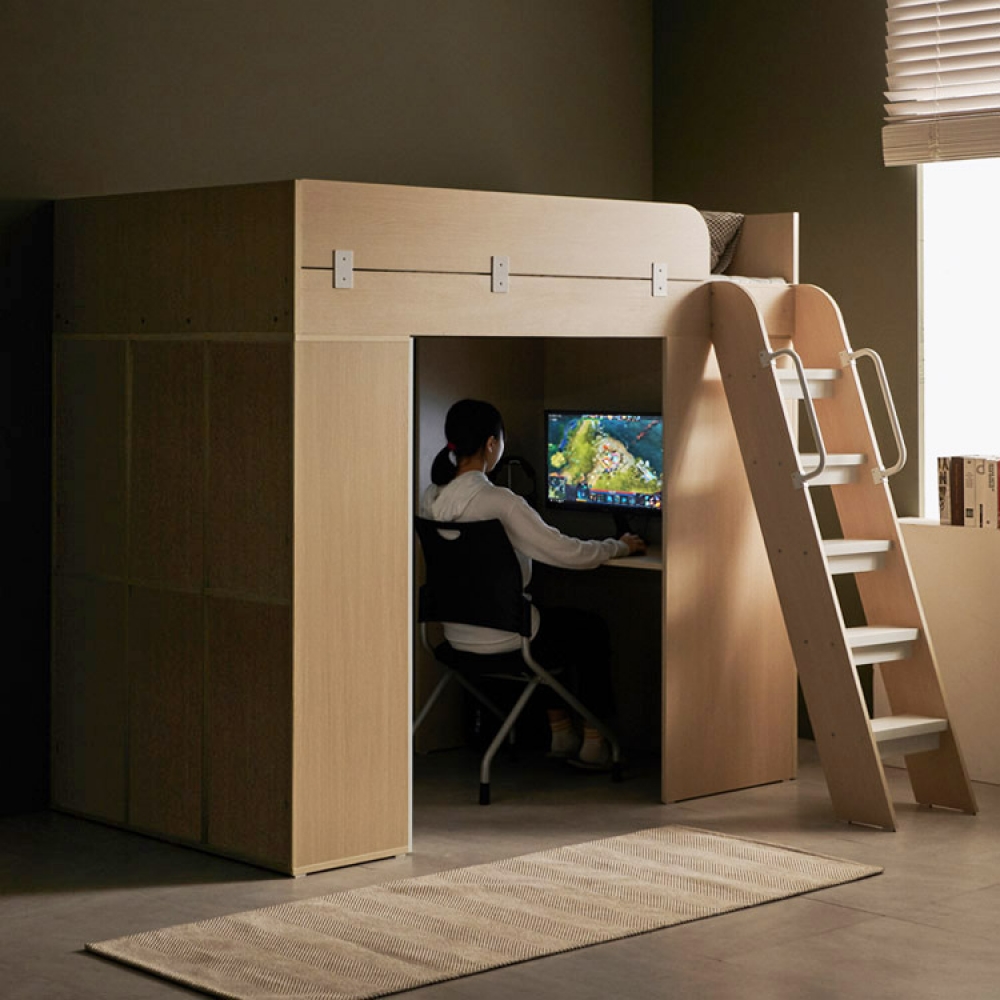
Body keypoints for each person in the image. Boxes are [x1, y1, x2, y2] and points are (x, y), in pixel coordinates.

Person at [420, 398, 645, 768]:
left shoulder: (429, 498)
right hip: (509, 639)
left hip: (454, 638)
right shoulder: (499, 501)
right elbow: (566, 552)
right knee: (589, 629)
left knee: (549, 620)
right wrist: (618, 546)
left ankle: (560, 733)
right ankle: (594, 743)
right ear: (491, 444)